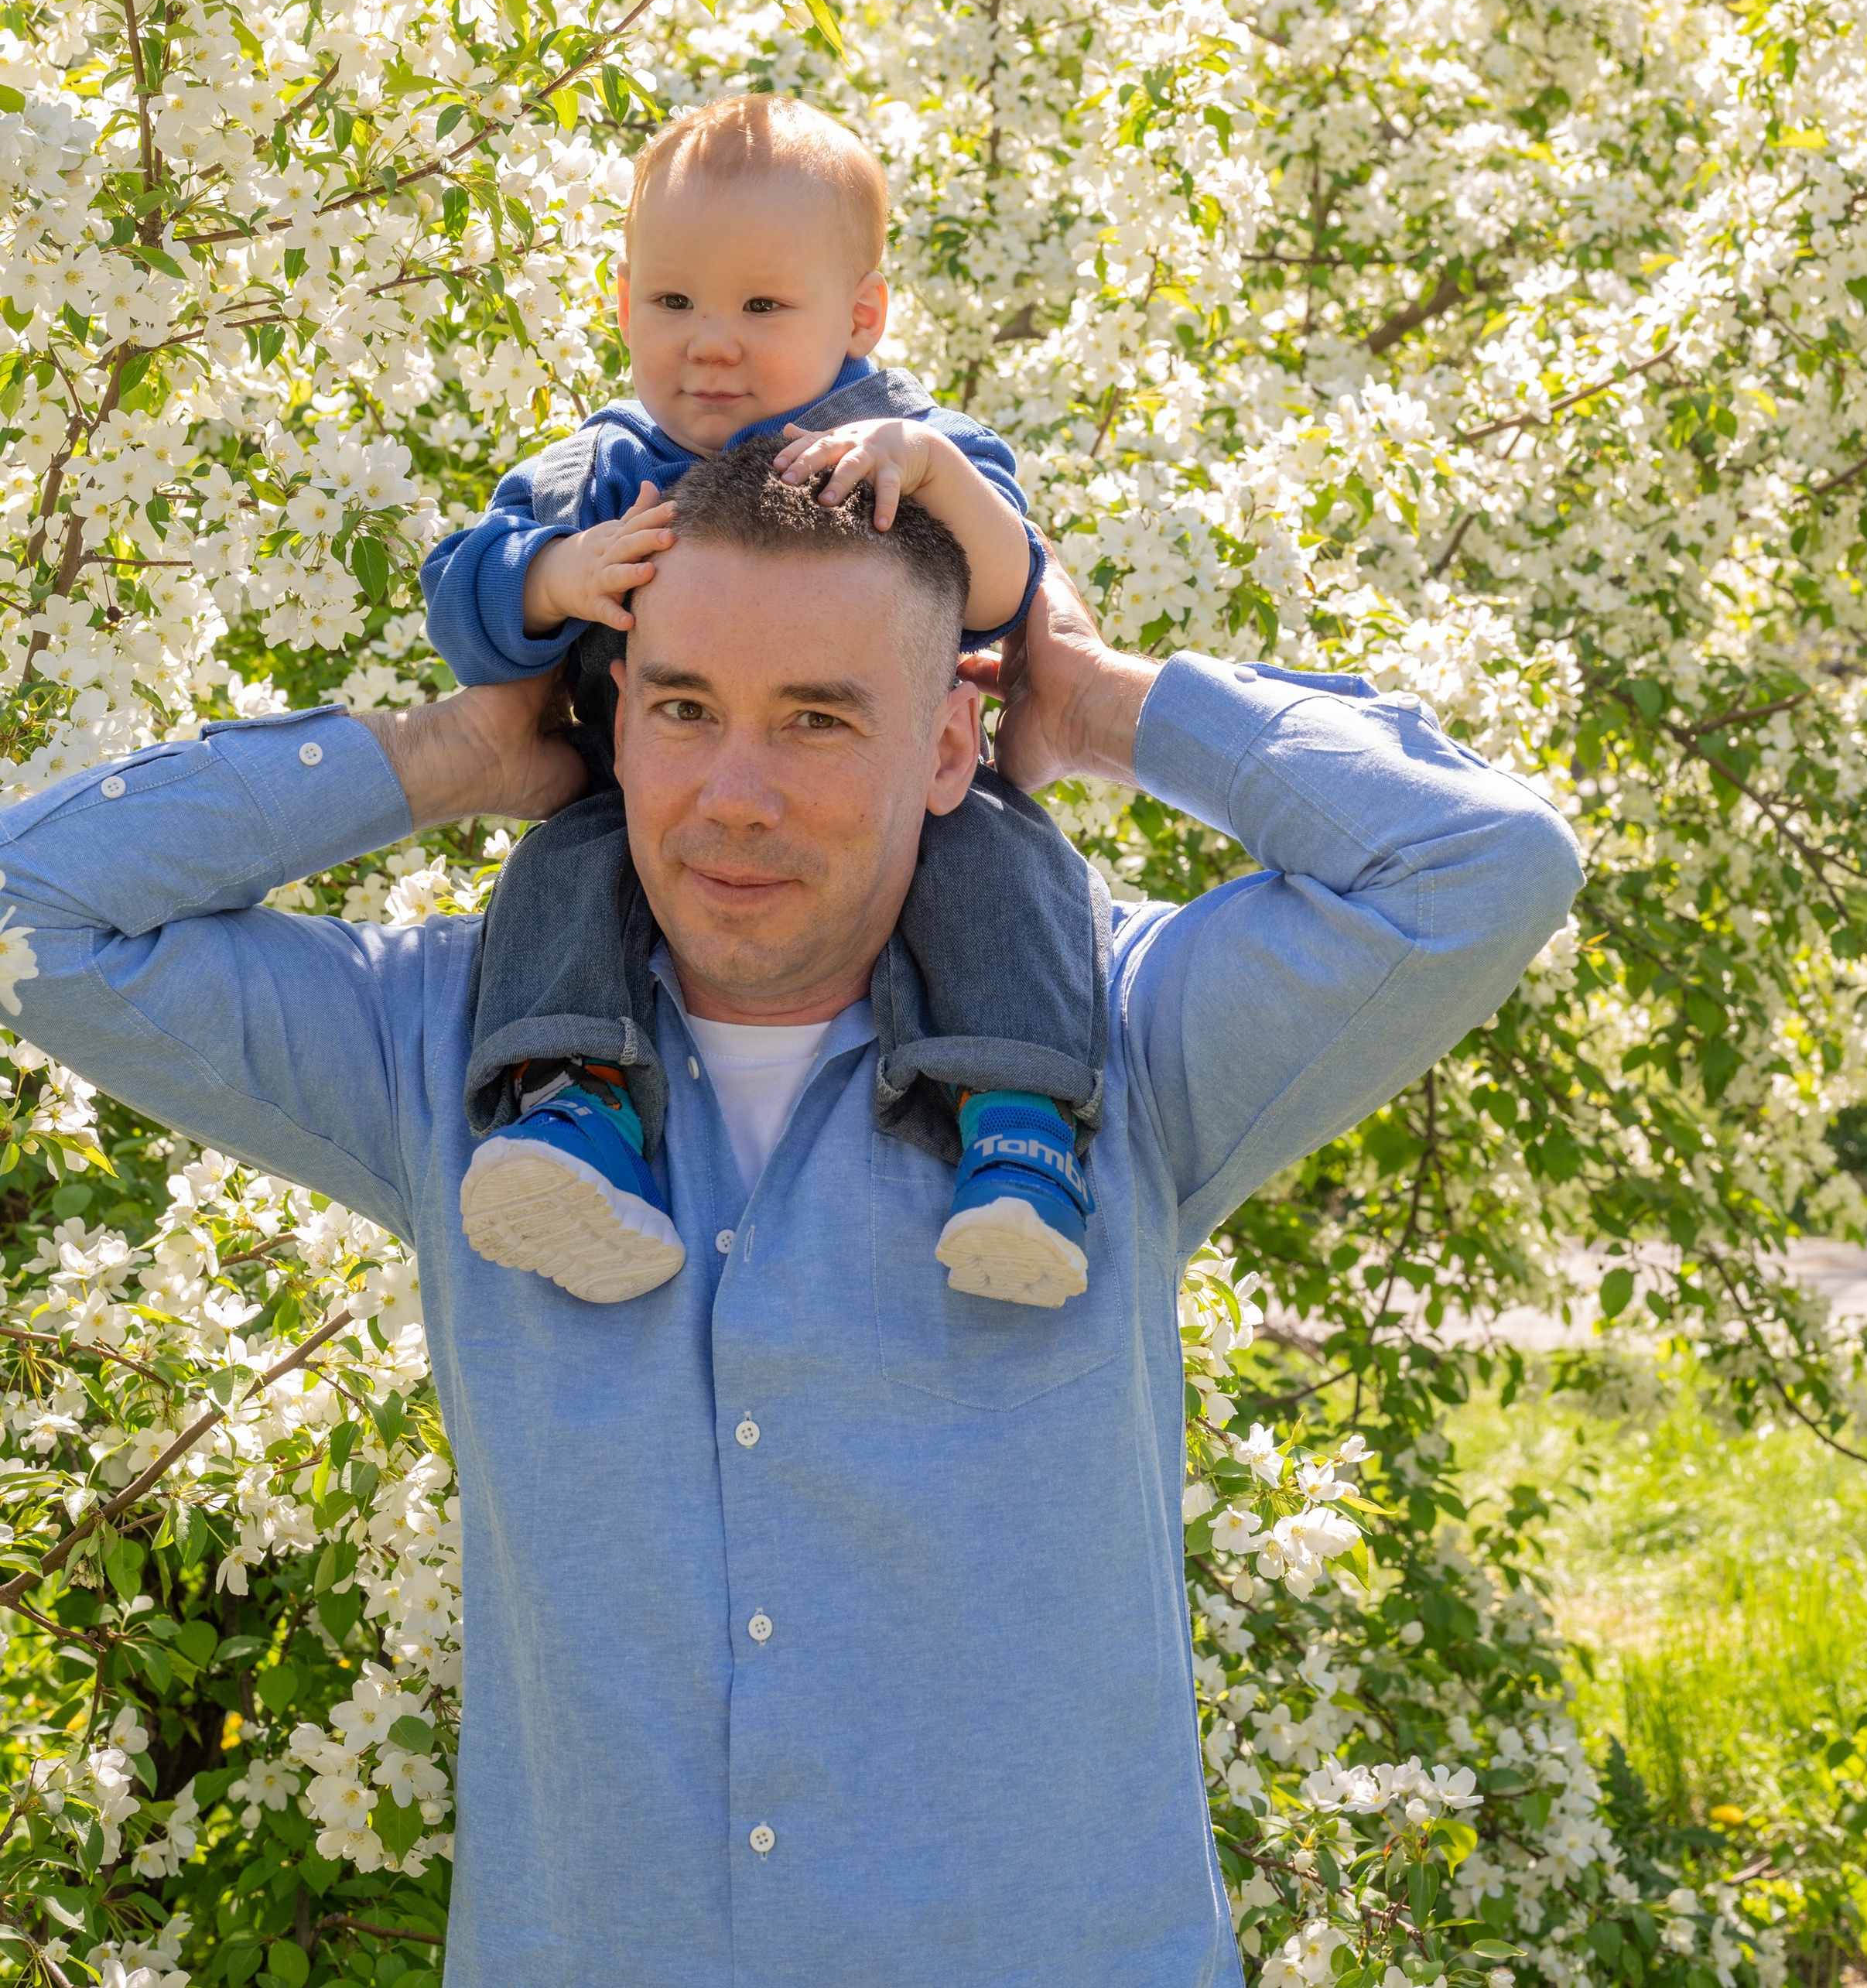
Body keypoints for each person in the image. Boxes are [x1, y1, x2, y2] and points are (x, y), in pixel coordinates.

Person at [0, 450, 1581, 1988]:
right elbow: (32, 911)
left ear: (951, 748)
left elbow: (1480, 862)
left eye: (817, 719)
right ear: (615, 722)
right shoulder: (448, 1045)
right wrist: (450, 752)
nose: (733, 798)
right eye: (683, 709)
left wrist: (1097, 701)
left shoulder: (1121, 1036)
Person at [420, 94, 1109, 1313]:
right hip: (645, 792)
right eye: (674, 302)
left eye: (761, 307)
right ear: (621, 302)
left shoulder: (907, 442)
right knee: (561, 877)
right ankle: (576, 1112)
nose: (711, 345)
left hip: (893, 798)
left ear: (861, 317)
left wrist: (935, 476)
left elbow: (1008, 598)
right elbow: (460, 603)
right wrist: (553, 578)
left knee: (1004, 869)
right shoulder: (598, 472)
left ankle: (1019, 1127)